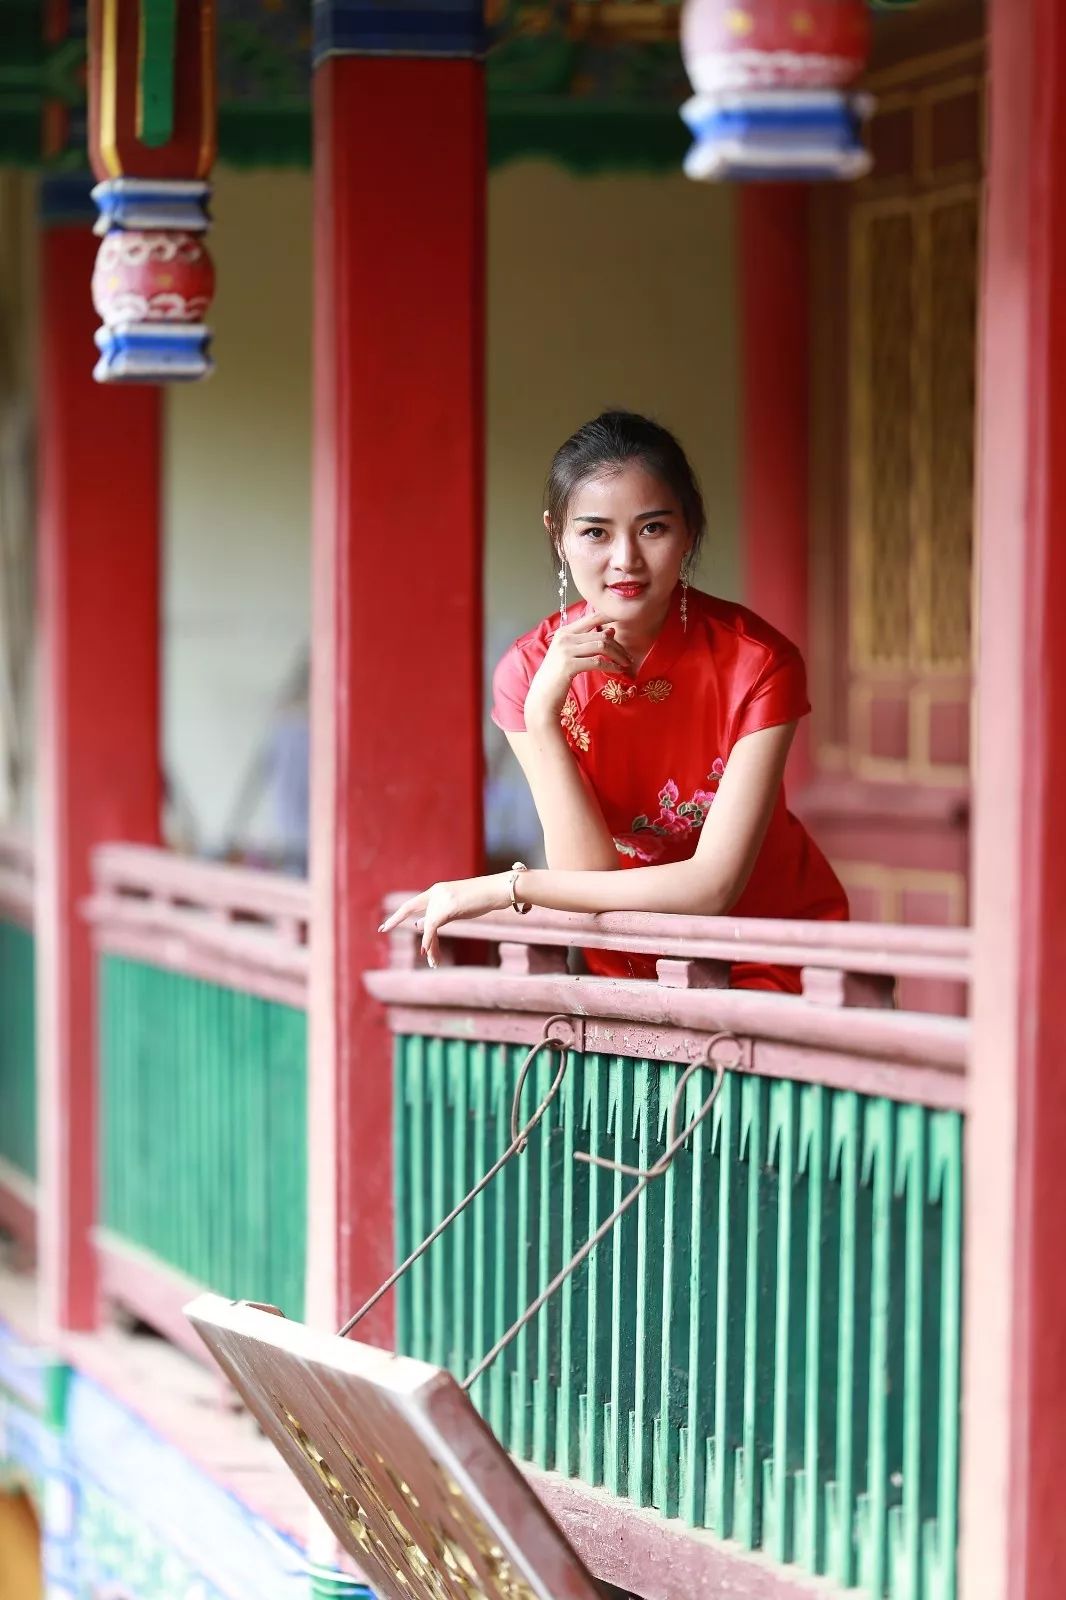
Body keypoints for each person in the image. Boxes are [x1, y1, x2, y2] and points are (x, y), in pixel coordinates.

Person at [381, 411, 847, 986]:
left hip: (769, 953)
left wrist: (509, 887)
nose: (625, 559)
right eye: (595, 531)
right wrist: (541, 718)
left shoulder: (759, 664)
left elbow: (713, 886)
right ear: (558, 534)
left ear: (690, 530)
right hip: (625, 964)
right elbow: (587, 876)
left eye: (652, 527)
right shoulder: (527, 673)